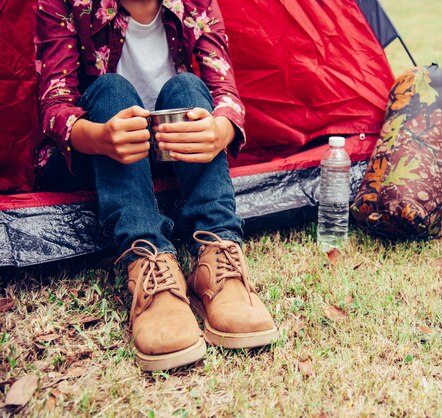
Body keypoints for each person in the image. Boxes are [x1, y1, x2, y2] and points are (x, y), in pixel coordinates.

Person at [35, 0, 278, 371]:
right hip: (96, 152)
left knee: (187, 87)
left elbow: (225, 91)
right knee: (111, 89)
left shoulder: (196, 4)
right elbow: (54, 103)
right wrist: (99, 136)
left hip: (168, 153)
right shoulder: (64, 3)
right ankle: (148, 261)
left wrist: (219, 129)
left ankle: (217, 254)